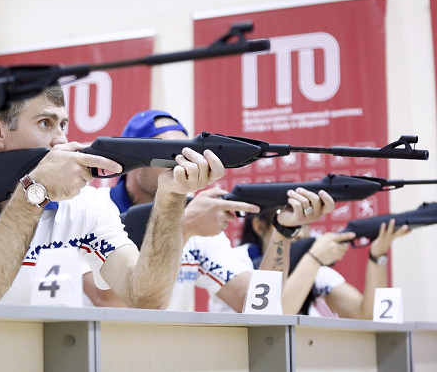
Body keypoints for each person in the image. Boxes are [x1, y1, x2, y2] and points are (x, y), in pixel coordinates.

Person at [0, 90, 224, 308]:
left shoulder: (86, 202)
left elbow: (145, 298)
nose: (60, 139)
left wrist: (170, 198)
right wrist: (36, 191)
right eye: (45, 123)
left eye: (62, 125)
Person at [84, 110, 335, 312]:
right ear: (133, 157)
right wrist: (184, 225)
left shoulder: (197, 217)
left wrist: (284, 229)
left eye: (186, 153)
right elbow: (107, 301)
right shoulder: (94, 208)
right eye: (167, 152)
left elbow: (259, 305)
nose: (180, 162)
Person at [239, 212, 410, 318]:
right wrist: (314, 258)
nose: (299, 233)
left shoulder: (315, 270)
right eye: (287, 224)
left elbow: (366, 315)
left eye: (303, 223)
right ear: (260, 226)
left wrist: (377, 255)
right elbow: (273, 318)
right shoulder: (239, 263)